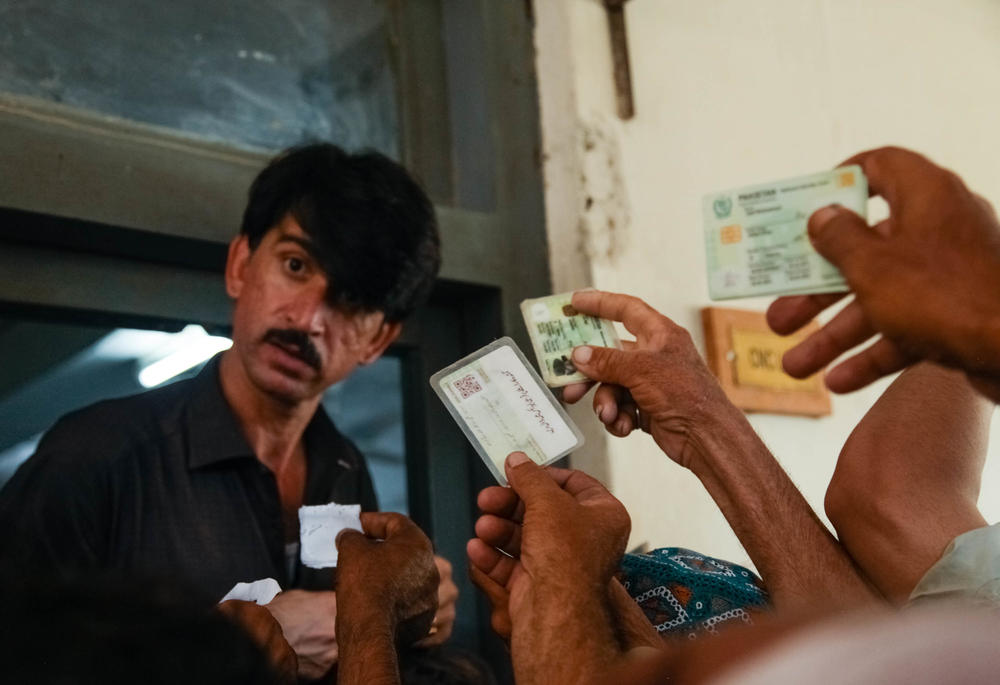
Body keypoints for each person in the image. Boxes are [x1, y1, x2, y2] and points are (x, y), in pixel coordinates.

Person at [0, 143, 458, 681]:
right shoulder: (95, 455)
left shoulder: (346, 469)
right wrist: (243, 641)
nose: (308, 318)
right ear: (240, 265)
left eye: (350, 301)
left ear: (378, 339)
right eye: (295, 265)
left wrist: (399, 618)